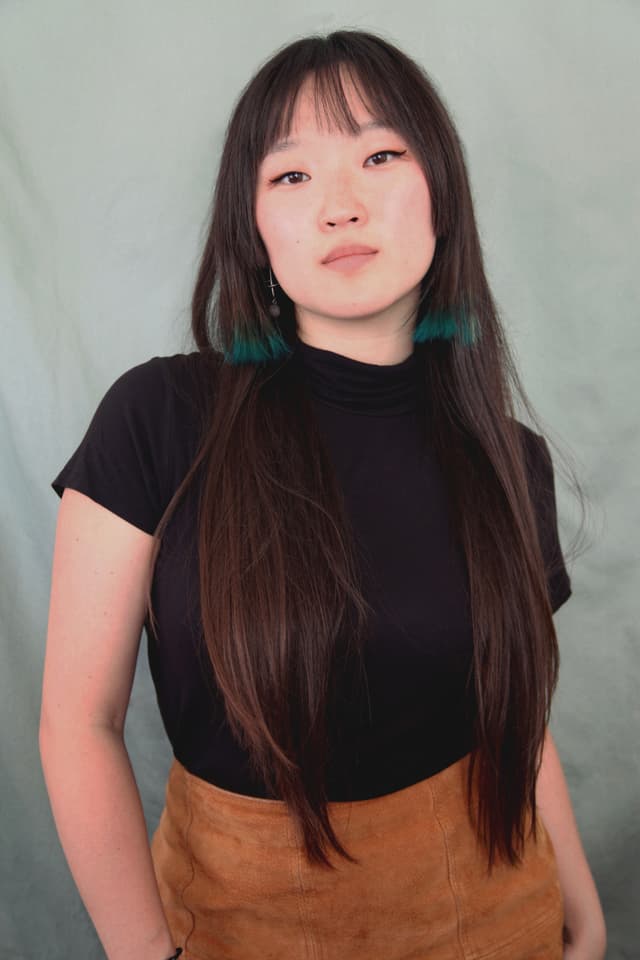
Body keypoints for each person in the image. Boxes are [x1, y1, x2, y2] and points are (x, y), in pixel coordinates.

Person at [39, 28, 607, 960]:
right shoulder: (160, 418)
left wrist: (580, 905)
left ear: (442, 199)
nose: (341, 204)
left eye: (380, 155)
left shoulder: (511, 460)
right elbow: (76, 723)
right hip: (235, 927)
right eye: (291, 176)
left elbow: (518, 721)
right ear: (253, 228)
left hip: (500, 916)